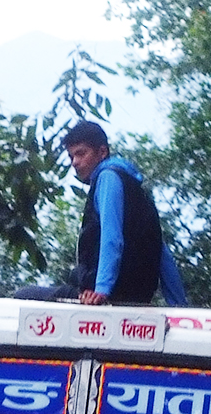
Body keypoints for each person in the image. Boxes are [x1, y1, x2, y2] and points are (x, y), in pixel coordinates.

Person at [14, 121, 189, 306]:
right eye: (71, 156)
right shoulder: (134, 187)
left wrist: (101, 290)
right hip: (135, 295)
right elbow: (159, 249)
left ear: (102, 152)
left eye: (81, 153)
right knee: (74, 275)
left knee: (23, 296)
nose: (75, 162)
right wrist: (178, 304)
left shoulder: (108, 177)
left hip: (111, 295)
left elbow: (111, 237)